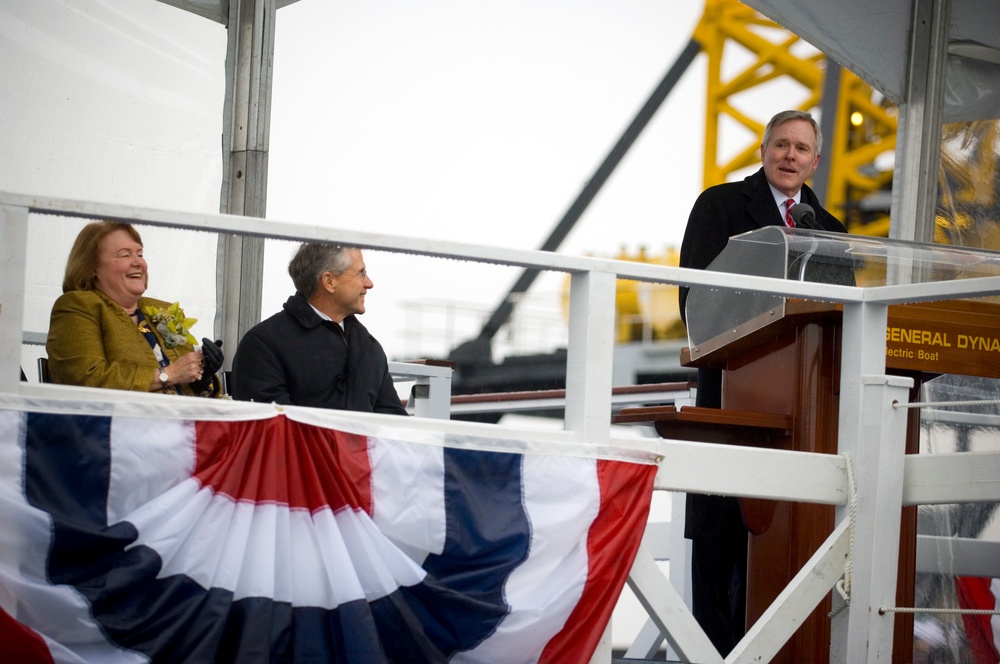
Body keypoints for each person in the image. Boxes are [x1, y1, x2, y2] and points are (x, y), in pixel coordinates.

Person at [677, 109, 848, 655]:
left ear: (815, 162)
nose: (790, 155)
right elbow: (694, 297)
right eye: (781, 145)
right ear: (763, 150)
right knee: (723, 540)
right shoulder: (721, 205)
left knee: (791, 540)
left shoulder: (833, 231)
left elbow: (842, 321)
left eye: (801, 148)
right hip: (734, 394)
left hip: (804, 410)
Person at [46, 221, 224, 397]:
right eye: (125, 255)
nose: (138, 262)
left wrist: (203, 376)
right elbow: (88, 378)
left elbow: (189, 388)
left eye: (140, 254)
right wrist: (169, 375)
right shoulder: (77, 305)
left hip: (184, 421)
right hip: (119, 423)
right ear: (92, 267)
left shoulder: (164, 310)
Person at [231, 242, 408, 415]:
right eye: (361, 274)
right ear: (329, 281)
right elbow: (271, 432)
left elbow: (395, 427)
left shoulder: (370, 349)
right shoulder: (263, 345)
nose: (369, 284)